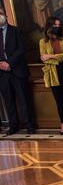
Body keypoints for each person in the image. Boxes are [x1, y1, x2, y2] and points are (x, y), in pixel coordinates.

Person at [0, 7, 35, 135]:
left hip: (17, 71)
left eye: (1, 13)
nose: (0, 16)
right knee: (9, 101)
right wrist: (1, 64)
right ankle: (13, 125)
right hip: (2, 74)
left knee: (23, 100)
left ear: (6, 16)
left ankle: (29, 125)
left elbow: (21, 49)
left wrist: (9, 62)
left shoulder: (16, 31)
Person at [40, 16, 63, 134]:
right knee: (59, 100)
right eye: (55, 25)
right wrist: (57, 57)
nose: (57, 27)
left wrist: (50, 56)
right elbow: (43, 59)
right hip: (53, 73)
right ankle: (62, 123)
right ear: (49, 26)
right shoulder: (43, 42)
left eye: (59, 25)